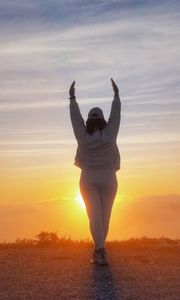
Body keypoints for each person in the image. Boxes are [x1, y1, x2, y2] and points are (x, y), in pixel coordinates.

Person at [69, 78, 121, 266]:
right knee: (104, 217)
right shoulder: (110, 134)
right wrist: (116, 96)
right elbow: (116, 116)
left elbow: (76, 120)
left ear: (89, 121)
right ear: (102, 120)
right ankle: (100, 251)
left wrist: (72, 98)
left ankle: (99, 250)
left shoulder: (82, 136)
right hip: (109, 178)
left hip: (88, 178)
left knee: (94, 216)